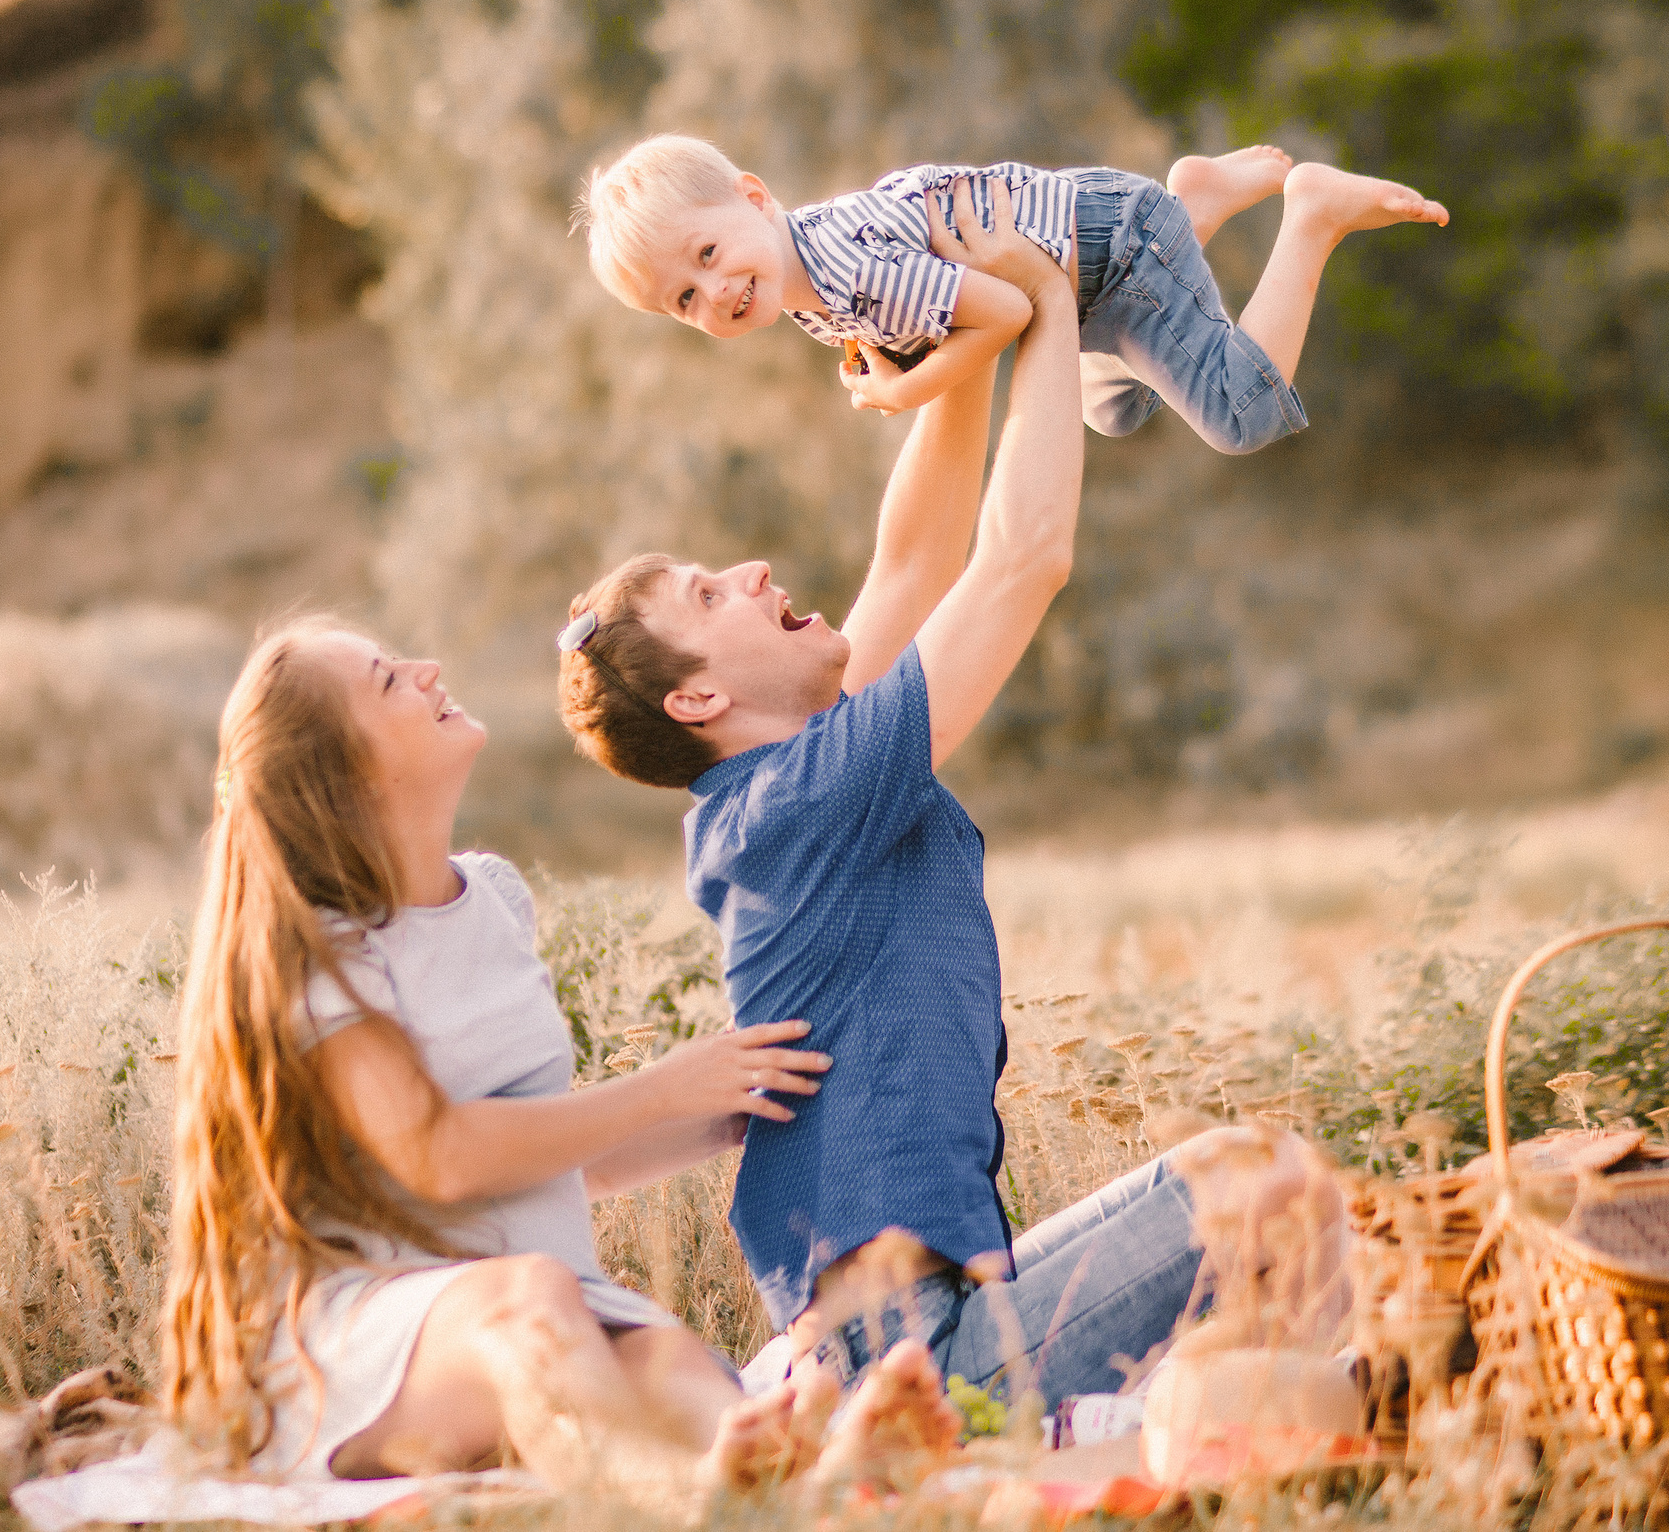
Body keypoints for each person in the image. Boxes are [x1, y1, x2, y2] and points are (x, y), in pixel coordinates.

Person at [555, 180, 1349, 1414]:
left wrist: (951, 334)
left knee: (1267, 1226)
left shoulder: (794, 774)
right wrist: (1037, 305)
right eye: (713, 596)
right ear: (701, 703)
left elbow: (918, 556)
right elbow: (1019, 558)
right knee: (1268, 1194)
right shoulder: (804, 796)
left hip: (929, 1319)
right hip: (907, 1350)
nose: (755, 571)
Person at [159, 617, 962, 1515]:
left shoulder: (491, 900)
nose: (427, 668)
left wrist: (741, 1102)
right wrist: (663, 1084)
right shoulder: (315, 955)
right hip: (358, 1345)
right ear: (343, 773)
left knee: (672, 1369)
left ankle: (815, 1478)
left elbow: (557, 1150)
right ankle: (681, 1501)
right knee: (533, 1301)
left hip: (535, 1301)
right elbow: (440, 1155)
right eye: (387, 679)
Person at [575, 133, 1445, 453]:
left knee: (1237, 417)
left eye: (707, 252)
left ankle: (1311, 216)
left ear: (756, 198)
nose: (713, 290)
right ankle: (1198, 203)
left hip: (1113, 249)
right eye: (684, 300)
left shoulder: (842, 263)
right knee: (1111, 412)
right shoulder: (804, 289)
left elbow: (1008, 312)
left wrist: (905, 389)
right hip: (1086, 267)